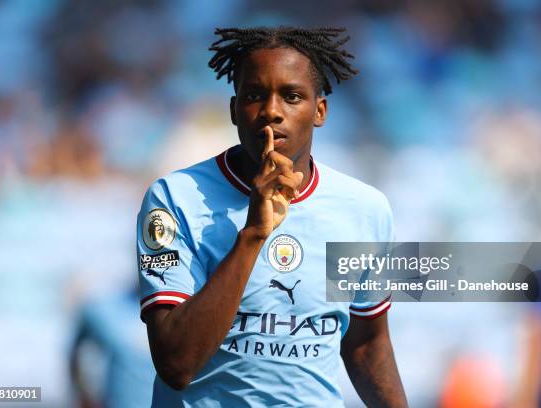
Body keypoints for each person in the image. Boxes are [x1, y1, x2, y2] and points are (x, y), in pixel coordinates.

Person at [137, 26, 407, 407]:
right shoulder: (172, 199)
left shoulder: (365, 209)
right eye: (254, 95)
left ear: (320, 111)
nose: (271, 112)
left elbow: (367, 344)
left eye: (292, 96)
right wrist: (253, 234)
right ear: (234, 110)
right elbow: (176, 364)